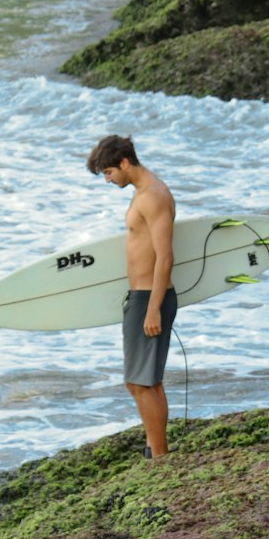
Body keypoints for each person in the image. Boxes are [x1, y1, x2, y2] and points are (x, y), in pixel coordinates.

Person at [87, 134, 176, 460]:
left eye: (109, 172)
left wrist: (153, 308)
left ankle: (160, 456)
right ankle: (155, 450)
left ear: (125, 162)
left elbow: (165, 257)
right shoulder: (143, 192)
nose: (108, 180)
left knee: (142, 382)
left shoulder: (153, 196)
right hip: (141, 296)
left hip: (150, 297)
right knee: (142, 381)